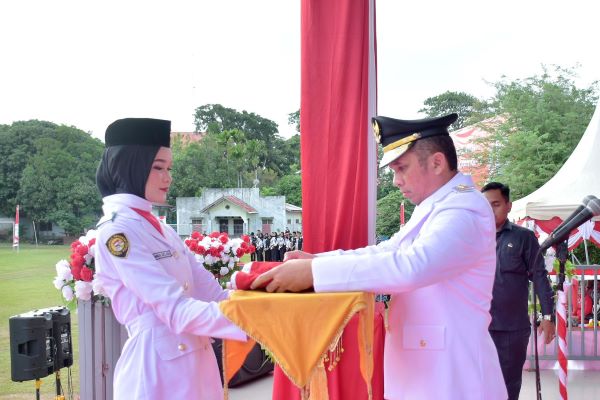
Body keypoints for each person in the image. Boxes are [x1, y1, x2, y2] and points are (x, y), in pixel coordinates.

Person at [252, 113, 507, 399]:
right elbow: (388, 250)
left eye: (401, 168)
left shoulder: (463, 209)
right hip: (427, 370)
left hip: (453, 377)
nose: (397, 181)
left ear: (437, 162)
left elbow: (411, 267)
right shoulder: (435, 206)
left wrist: (314, 274)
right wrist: (319, 261)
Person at [94, 118, 246, 400]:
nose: (168, 177)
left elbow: (212, 294)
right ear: (131, 166)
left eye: (169, 168)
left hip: (196, 363)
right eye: (158, 167)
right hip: (154, 372)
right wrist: (254, 320)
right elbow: (174, 309)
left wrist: (262, 304)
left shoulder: (162, 229)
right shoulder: (117, 232)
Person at [481, 182, 555, 400]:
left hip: (512, 329)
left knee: (508, 385)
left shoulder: (523, 238)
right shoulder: (474, 237)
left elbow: (540, 277)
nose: (490, 210)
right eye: (486, 206)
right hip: (478, 327)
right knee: (479, 382)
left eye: (495, 204)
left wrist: (548, 316)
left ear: (508, 206)